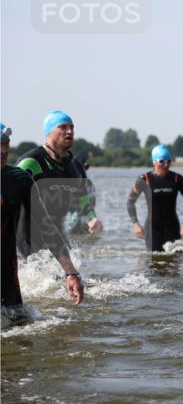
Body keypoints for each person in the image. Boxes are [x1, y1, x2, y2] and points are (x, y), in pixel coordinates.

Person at [1, 123, 84, 320]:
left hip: (6, 276)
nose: (3, 150)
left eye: (6, 144)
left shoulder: (19, 180)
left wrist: (71, 273)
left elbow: (47, 227)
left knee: (21, 332)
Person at [16, 111, 102, 257]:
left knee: (72, 277)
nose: (69, 131)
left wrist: (93, 218)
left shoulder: (76, 166)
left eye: (72, 127)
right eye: (63, 127)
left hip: (59, 237)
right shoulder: (31, 162)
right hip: (29, 237)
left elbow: (84, 201)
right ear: (49, 132)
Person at [126, 145, 183, 251]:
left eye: (169, 161)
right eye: (162, 161)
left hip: (172, 228)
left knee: (177, 262)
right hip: (152, 229)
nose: (166, 164)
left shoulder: (177, 179)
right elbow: (130, 202)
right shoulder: (144, 180)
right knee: (154, 263)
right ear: (154, 162)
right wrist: (135, 223)